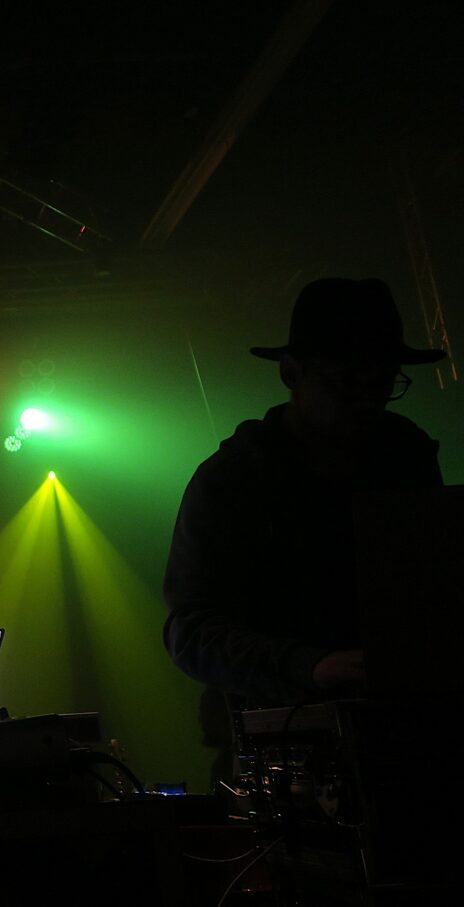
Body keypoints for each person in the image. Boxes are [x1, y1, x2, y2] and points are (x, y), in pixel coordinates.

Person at [164, 278, 445, 718]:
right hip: (290, 730)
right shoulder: (232, 478)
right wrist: (308, 666)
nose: (367, 400)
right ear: (291, 373)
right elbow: (190, 632)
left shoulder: (407, 455)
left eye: (382, 382)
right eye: (344, 381)